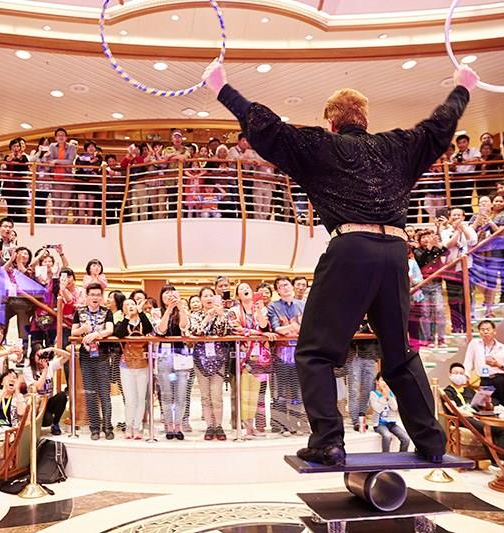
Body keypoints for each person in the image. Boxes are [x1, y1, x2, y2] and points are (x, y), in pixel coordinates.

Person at [203, 59, 479, 464]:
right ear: (364, 119)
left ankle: (329, 441)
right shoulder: (396, 146)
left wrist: (222, 88)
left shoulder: (322, 145)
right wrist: (462, 88)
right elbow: (439, 127)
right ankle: (432, 442)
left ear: (331, 123)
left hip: (351, 249)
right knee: (400, 353)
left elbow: (267, 127)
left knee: (314, 352)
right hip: (395, 252)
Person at [227, 282, 274, 437]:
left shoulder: (261, 308)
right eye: (242, 289)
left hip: (259, 356)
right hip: (241, 356)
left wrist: (259, 310)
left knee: (255, 393)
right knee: (243, 393)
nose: (245, 290)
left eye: (247, 287)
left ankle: (251, 425)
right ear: (237, 295)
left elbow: (265, 326)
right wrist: (259, 334)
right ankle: (245, 426)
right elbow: (236, 329)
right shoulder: (233, 311)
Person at [71, 283, 115, 440]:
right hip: (85, 356)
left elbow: (110, 330)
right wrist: (83, 330)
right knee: (90, 393)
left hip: (102, 355)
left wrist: (97, 334)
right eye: (92, 294)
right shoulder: (79, 312)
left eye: (98, 294)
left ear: (101, 297)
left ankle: (108, 427)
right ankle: (94, 428)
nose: (95, 297)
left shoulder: (107, 312)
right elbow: (73, 331)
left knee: (104, 393)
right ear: (87, 296)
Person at [188, 288, 229, 441]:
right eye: (205, 296)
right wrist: (207, 317)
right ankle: (209, 426)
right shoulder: (195, 316)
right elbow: (195, 331)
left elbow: (224, 332)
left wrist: (220, 315)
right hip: (200, 359)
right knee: (205, 396)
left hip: (218, 358)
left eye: (211, 295)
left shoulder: (221, 314)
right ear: (201, 299)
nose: (208, 298)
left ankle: (219, 426)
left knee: (217, 395)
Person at [267, 276, 306, 436]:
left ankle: (296, 423)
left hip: (300, 353)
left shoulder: (302, 305)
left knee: (298, 391)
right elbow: (277, 329)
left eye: (287, 284)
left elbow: (307, 327)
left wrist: (289, 328)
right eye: (281, 286)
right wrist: (294, 327)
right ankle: (282, 425)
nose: (285, 287)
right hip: (281, 355)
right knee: (280, 392)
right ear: (277, 291)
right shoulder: (273, 307)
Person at [442, 362, 504, 455]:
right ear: (450, 375)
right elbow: (453, 409)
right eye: (456, 373)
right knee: (485, 429)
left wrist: (487, 401)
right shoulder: (447, 392)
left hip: (477, 416)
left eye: (461, 373)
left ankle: (503, 458)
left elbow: (482, 406)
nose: (459, 376)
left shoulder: (469, 390)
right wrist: (470, 414)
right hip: (462, 418)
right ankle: (495, 459)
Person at [113, 298, 154, 439]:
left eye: (133, 304)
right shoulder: (122, 323)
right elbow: (118, 334)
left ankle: (137, 427)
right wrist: (127, 317)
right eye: (127, 305)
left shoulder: (143, 322)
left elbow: (149, 328)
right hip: (126, 365)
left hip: (143, 363)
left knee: (141, 398)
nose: (130, 306)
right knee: (130, 399)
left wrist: (140, 312)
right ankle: (129, 426)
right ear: (123, 309)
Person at [155, 285, 191, 440]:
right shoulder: (157, 312)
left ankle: (178, 425)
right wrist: (168, 310)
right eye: (165, 293)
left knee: (181, 394)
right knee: (166, 393)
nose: (169, 295)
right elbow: (160, 330)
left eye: (172, 292)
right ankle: (169, 425)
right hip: (164, 357)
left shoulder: (182, 310)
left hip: (181, 356)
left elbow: (184, 327)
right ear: (161, 296)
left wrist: (180, 307)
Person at [462, 320, 504, 410]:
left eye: (488, 329)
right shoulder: (474, 344)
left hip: (502, 380)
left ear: (494, 331)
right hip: (485, 380)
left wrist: (498, 364)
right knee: (486, 408)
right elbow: (468, 362)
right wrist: (465, 377)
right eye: (482, 329)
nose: (485, 332)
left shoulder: (503, 348)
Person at [25, 345, 70, 435]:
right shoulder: (28, 370)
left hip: (48, 402)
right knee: (47, 420)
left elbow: (68, 356)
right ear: (32, 356)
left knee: (62, 396)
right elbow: (38, 387)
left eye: (43, 354)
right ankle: (43, 423)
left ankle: (55, 424)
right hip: (37, 405)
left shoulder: (50, 365)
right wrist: (45, 370)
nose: (41, 358)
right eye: (38, 355)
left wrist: (52, 349)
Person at [347, 320, 380, 432]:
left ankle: (362, 417)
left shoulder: (376, 317)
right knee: (354, 390)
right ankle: (355, 420)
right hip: (355, 356)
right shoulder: (354, 316)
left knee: (369, 389)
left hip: (371, 357)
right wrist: (366, 328)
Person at [369, 374, 410, 453]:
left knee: (406, 438)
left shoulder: (391, 394)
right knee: (387, 436)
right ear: (377, 382)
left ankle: (401, 456)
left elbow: (395, 408)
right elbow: (378, 409)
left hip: (392, 424)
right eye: (382, 380)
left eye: (386, 380)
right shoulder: (373, 394)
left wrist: (388, 396)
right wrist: (384, 397)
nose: (385, 383)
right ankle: (386, 457)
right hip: (379, 424)